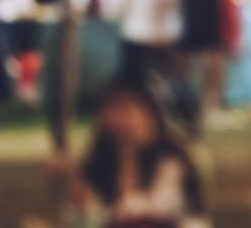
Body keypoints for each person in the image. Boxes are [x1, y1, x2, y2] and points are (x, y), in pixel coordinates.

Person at [74, 80, 206, 227]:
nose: (121, 119)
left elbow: (157, 206)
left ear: (151, 116)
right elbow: (85, 215)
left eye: (129, 109)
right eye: (113, 109)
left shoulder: (171, 158)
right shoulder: (100, 158)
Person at [179, 0, 224, 133]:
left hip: (199, 17)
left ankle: (207, 105)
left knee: (207, 63)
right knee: (197, 65)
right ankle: (195, 105)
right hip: (195, 17)